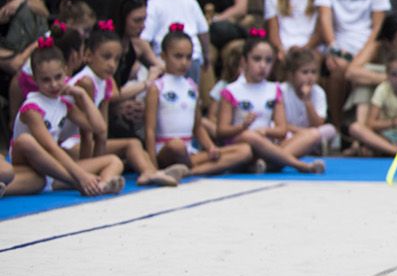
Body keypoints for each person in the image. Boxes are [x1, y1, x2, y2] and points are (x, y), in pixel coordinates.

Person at [6, 41, 125, 197]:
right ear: (35, 80)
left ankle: (101, 185)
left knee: (114, 161)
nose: (54, 84)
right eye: (46, 80)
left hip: (54, 170)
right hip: (30, 166)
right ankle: (81, 183)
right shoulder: (32, 108)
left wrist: (82, 95)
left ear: (66, 73)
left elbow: (99, 128)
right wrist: (80, 176)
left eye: (58, 77)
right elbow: (50, 147)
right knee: (26, 141)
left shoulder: (63, 104)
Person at [72, 26, 185, 188]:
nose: (112, 64)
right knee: (117, 159)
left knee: (132, 143)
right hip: (71, 144)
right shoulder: (85, 82)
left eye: (117, 59)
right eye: (106, 57)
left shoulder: (105, 81)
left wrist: (99, 156)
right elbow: (86, 132)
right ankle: (111, 177)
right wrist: (93, 163)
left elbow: (102, 131)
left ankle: (151, 172)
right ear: (88, 55)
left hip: (85, 142)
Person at [147, 27, 253, 178]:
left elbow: (198, 127)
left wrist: (210, 147)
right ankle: (194, 168)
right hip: (166, 150)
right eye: (178, 56)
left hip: (190, 151)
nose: (184, 62)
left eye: (188, 57)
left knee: (245, 150)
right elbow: (150, 130)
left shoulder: (191, 86)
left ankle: (190, 171)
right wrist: (152, 167)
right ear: (163, 56)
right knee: (177, 146)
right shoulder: (157, 87)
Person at [213, 35, 326, 173]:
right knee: (250, 136)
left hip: (268, 143)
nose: (262, 65)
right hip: (243, 145)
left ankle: (267, 164)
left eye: (268, 61)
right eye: (257, 59)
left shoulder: (274, 89)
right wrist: (242, 127)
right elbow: (221, 131)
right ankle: (298, 165)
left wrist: (265, 131)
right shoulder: (231, 90)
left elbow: (282, 130)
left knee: (313, 134)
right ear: (244, 61)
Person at [325, 0, 390, 127]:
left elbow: (378, 27)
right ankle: (337, 129)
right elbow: (325, 21)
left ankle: (363, 130)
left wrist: (360, 58)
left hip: (369, 48)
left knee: (353, 72)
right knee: (338, 73)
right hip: (339, 48)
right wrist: (334, 50)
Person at [139, 0, 211, 77]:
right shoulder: (190, 1)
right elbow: (203, 31)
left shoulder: (153, 3)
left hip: (168, 62)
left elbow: (143, 39)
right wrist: (207, 55)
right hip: (192, 59)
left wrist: (156, 62)